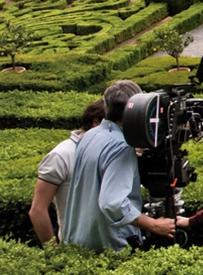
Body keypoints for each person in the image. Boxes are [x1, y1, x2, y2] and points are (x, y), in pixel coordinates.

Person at [62, 81, 175, 252]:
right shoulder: (122, 147)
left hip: (78, 241)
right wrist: (153, 224)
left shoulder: (89, 135)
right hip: (108, 245)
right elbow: (112, 203)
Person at [29, 100, 105, 245]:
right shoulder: (61, 155)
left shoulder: (112, 152)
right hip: (76, 248)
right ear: (96, 123)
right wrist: (54, 252)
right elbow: (37, 210)